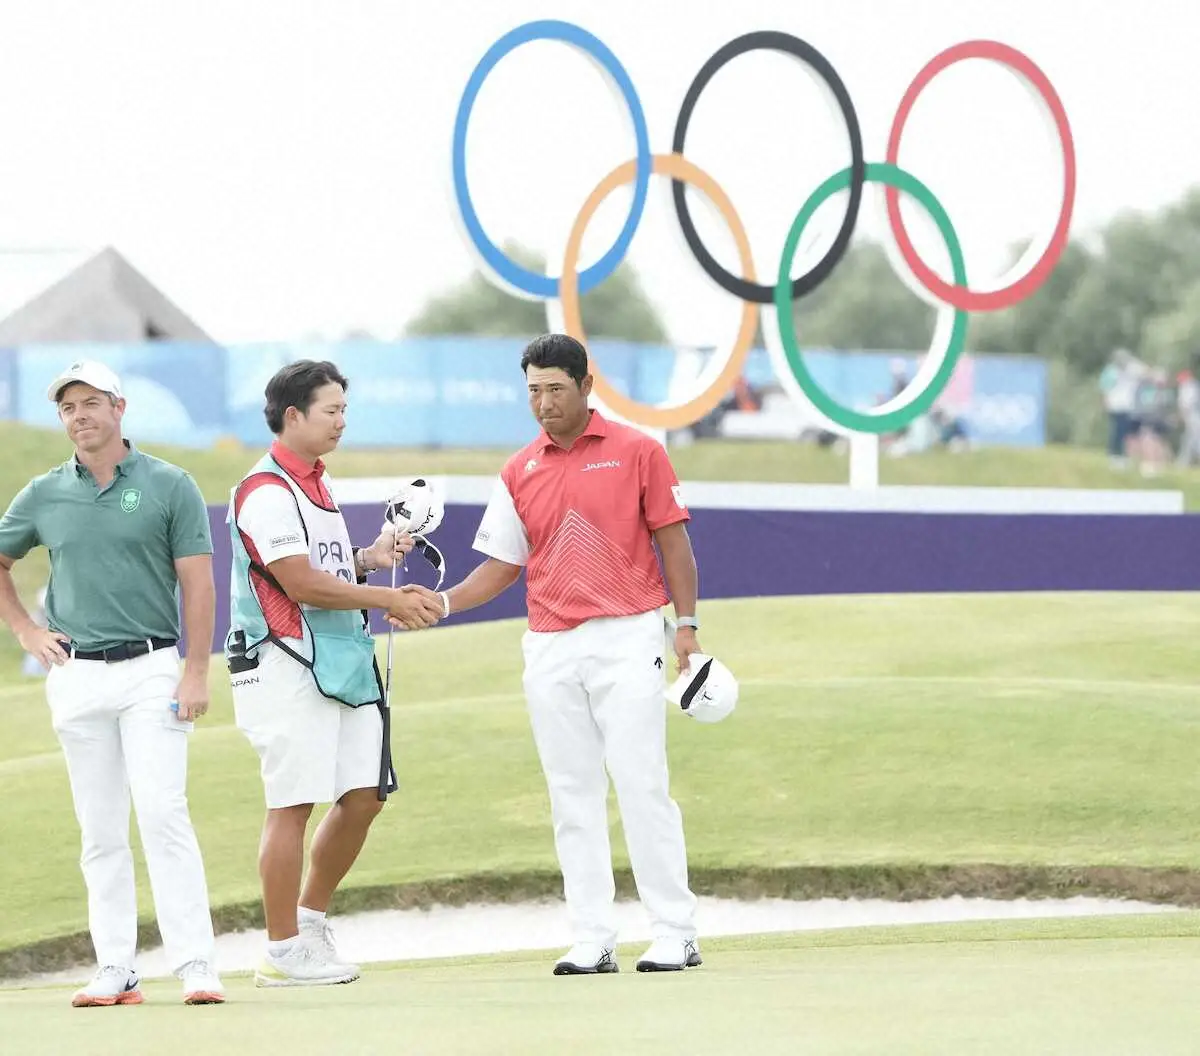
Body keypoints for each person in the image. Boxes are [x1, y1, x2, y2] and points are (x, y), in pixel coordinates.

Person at [417, 333, 705, 976]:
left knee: (641, 782)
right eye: (533, 392)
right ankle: (593, 936)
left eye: (554, 389)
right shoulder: (520, 470)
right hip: (548, 644)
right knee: (571, 792)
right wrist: (442, 603)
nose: (543, 404)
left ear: (585, 385)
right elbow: (501, 566)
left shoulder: (638, 451)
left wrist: (685, 627)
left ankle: (675, 930)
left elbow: (675, 546)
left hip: (629, 633)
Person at [0, 360, 224, 1007]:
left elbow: (198, 582)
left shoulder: (167, 484)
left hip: (152, 668)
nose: (79, 417)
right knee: (99, 829)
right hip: (76, 675)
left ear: (118, 407)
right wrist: (25, 631)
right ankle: (116, 968)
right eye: (68, 407)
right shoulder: (44, 493)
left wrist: (197, 668)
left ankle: (195, 962)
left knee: (162, 813)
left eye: (90, 403)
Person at [225, 359, 445, 988]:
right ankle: (282, 950)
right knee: (291, 804)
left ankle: (311, 922)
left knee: (365, 795)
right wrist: (390, 600)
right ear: (292, 415)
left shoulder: (317, 486)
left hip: (336, 661)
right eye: (331, 411)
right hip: (283, 662)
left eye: (345, 410)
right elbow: (297, 582)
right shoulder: (266, 490)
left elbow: (325, 566)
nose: (342, 422)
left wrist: (370, 560)